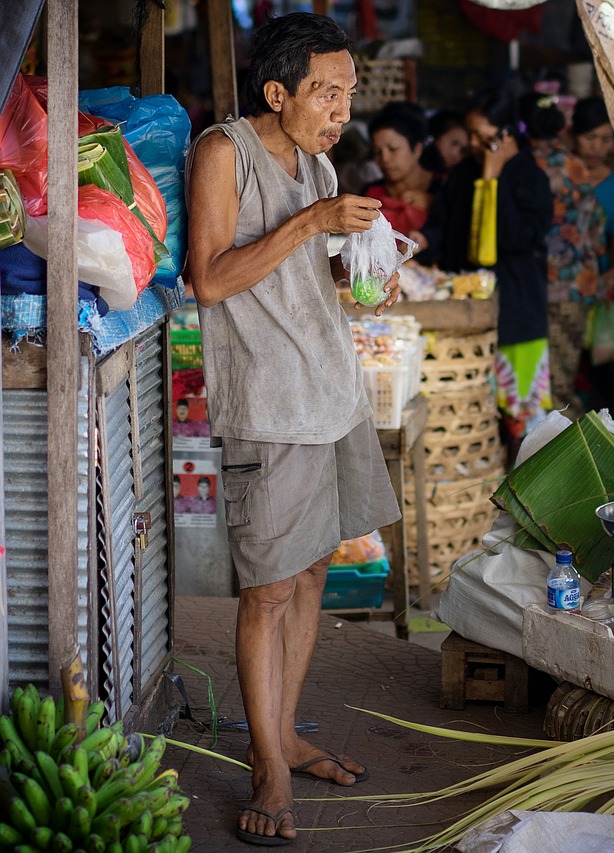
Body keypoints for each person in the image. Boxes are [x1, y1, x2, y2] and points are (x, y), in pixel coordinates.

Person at [184, 12, 403, 845]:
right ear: (277, 92)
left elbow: (299, 276)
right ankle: (267, 764)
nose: (343, 109)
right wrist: (312, 224)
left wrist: (369, 267)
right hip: (267, 403)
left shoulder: (318, 161)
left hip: (329, 392)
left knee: (310, 574)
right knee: (268, 589)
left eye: (349, 93)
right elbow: (209, 280)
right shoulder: (224, 153)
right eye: (327, 91)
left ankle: (286, 731)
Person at [422, 88, 554, 455]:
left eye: (486, 137)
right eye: (473, 137)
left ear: (508, 134)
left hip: (518, 313)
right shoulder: (462, 175)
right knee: (472, 418)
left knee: (524, 424)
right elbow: (444, 229)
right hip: (467, 312)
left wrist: (493, 181)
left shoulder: (530, 178)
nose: (476, 146)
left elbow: (515, 239)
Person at [520, 92, 605, 419]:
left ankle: (577, 449)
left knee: (535, 386)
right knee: (561, 380)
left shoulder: (524, 167)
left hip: (532, 288)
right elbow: (596, 229)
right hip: (574, 287)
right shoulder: (576, 166)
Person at [571, 97, 614, 409]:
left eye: (605, 140)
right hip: (562, 291)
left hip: (598, 291)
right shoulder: (561, 178)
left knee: (595, 372)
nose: (597, 147)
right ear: (573, 136)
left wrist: (612, 274)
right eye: (590, 138)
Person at [362, 104, 432, 248]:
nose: (385, 158)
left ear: (417, 149)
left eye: (393, 149)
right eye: (377, 152)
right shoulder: (370, 194)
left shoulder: (442, 188)